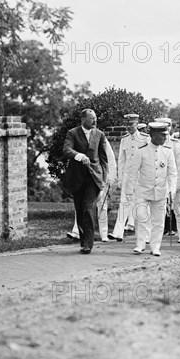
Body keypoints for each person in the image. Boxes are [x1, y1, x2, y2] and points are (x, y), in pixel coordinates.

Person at [124, 122, 177, 256]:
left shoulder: (168, 152)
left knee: (158, 221)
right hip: (142, 191)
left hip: (160, 191)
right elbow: (132, 172)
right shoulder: (141, 151)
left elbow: (172, 173)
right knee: (141, 217)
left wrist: (171, 190)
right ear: (153, 135)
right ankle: (140, 244)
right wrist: (129, 191)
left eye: (166, 135)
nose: (165, 137)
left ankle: (155, 247)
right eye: (162, 135)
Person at [62, 109, 109, 254]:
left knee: (88, 209)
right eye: (91, 119)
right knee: (80, 211)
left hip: (93, 178)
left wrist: (104, 181)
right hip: (77, 179)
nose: (95, 121)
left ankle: (88, 243)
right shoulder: (73, 133)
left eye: (95, 118)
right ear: (83, 120)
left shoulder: (99, 134)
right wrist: (79, 156)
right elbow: (66, 150)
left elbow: (104, 160)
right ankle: (83, 241)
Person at [108, 114, 148, 242]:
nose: (129, 127)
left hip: (140, 177)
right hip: (128, 177)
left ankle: (146, 235)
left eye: (131, 124)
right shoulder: (124, 139)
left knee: (142, 205)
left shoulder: (145, 139)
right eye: (127, 124)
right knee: (124, 203)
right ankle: (118, 232)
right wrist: (120, 179)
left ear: (137, 124)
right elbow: (121, 161)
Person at [67, 140, 117, 241]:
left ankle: (104, 234)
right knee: (81, 205)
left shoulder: (101, 139)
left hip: (100, 178)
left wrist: (111, 178)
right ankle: (77, 231)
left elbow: (110, 160)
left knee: (102, 205)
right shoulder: (80, 139)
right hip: (85, 178)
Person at [155, 117, 180, 243]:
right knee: (158, 210)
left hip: (174, 182)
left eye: (166, 127)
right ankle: (157, 235)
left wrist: (179, 185)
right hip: (159, 182)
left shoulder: (175, 144)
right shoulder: (154, 144)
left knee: (178, 208)